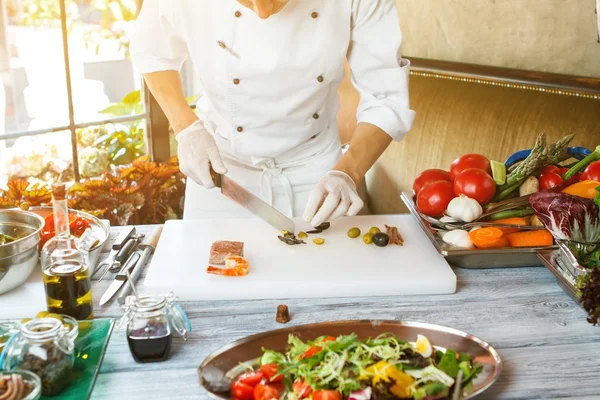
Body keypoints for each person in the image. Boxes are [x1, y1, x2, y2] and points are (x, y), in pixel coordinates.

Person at [130, 0, 415, 227]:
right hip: (221, 174)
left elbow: (385, 95)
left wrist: (348, 172)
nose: (262, 11)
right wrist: (186, 128)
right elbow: (152, 50)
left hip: (321, 173)